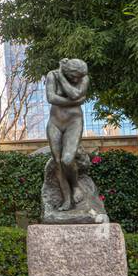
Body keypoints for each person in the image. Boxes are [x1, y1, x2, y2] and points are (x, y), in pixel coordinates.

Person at [44, 58, 89, 211]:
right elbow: (51, 98)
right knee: (57, 161)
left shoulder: (84, 78)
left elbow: (75, 94)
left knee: (67, 159)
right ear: (68, 70)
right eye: (74, 76)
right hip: (55, 122)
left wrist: (62, 77)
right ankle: (67, 200)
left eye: (79, 77)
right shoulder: (51, 75)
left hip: (73, 122)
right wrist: (75, 101)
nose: (77, 79)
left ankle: (75, 185)